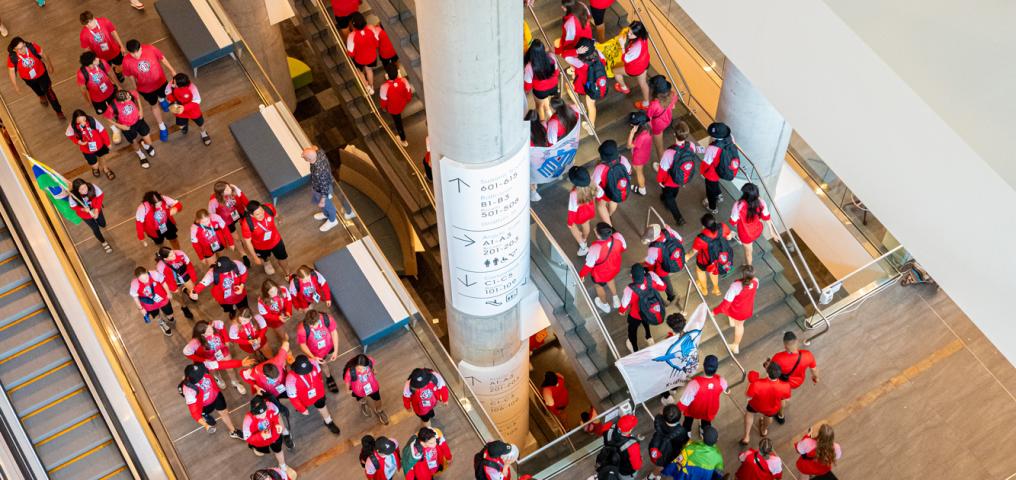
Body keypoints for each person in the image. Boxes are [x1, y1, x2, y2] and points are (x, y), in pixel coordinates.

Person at [122, 39, 176, 142]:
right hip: (146, 89)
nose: (136, 55)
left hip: (160, 82)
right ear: (129, 52)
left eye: (138, 52)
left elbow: (162, 58)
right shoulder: (126, 61)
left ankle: (162, 100)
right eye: (133, 54)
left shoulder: (151, 48)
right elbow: (130, 76)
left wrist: (172, 70)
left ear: (141, 48)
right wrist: (135, 87)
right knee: (154, 105)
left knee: (164, 96)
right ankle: (162, 126)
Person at [179, 362, 246, 439]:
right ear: (196, 379)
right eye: (201, 373)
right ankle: (205, 415)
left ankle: (233, 431)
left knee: (224, 412)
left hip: (216, 395)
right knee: (204, 413)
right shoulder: (188, 390)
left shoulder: (203, 366)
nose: (203, 371)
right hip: (205, 405)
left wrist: (241, 363)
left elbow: (221, 365)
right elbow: (194, 412)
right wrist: (206, 425)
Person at [656, 121, 703, 226]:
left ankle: (678, 217)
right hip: (683, 177)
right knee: (675, 189)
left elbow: (662, 170)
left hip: (669, 180)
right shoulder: (690, 145)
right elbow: (697, 150)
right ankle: (666, 198)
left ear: (674, 134)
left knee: (669, 196)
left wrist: (660, 181)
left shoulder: (669, 153)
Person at [184, 320, 247, 394]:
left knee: (230, 368)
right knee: (215, 371)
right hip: (210, 358)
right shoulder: (196, 342)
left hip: (222, 351)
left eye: (209, 327)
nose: (211, 330)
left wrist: (226, 340)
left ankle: (235, 382)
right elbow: (187, 352)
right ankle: (218, 378)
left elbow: (222, 325)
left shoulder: (214, 325)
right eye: (208, 331)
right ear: (203, 335)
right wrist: (203, 360)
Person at [7, 37, 63, 119]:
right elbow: (11, 72)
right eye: (19, 49)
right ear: (15, 50)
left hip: (42, 74)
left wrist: (49, 65)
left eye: (23, 47)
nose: (22, 50)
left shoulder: (32, 47)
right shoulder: (12, 57)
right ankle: (41, 96)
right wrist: (15, 86)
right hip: (28, 79)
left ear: (25, 44)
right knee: (36, 89)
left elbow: (44, 54)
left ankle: (58, 111)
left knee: (49, 92)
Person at [768, 331, 818, 422]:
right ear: (797, 341)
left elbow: (772, 371)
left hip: (783, 383)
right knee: (785, 396)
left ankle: (780, 415)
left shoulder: (778, 357)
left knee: (782, 399)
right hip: (798, 382)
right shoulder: (807, 355)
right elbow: (814, 370)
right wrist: (815, 378)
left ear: (785, 346)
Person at [286, 355, 342, 434]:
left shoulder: (313, 362)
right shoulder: (290, 379)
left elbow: (319, 374)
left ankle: (328, 421)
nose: (306, 372)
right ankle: (306, 406)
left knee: (322, 406)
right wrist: (302, 409)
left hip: (318, 393)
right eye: (303, 372)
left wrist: (321, 382)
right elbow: (293, 397)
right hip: (303, 398)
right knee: (304, 404)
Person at [579, 222, 626, 313]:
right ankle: (616, 299)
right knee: (610, 278)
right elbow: (623, 248)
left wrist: (581, 275)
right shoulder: (618, 236)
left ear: (598, 235)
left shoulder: (595, 248)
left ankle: (605, 305)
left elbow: (588, 266)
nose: (594, 230)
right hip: (614, 267)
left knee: (599, 286)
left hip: (600, 274)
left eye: (595, 230)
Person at [618, 264, 666, 352]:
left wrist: (621, 311)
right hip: (650, 310)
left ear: (631, 276)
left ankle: (634, 348)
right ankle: (649, 337)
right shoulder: (652, 275)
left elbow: (624, 306)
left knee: (632, 330)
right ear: (644, 272)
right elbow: (663, 287)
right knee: (646, 319)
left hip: (636, 314)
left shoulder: (629, 289)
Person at [741, 361, 791, 446]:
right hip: (772, 408)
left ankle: (746, 436)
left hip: (756, 405)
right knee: (769, 417)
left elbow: (747, 395)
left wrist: (750, 382)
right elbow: (787, 399)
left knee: (749, 414)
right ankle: (763, 430)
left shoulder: (757, 383)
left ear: (767, 372)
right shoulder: (786, 386)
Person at [713, 265, 759, 354]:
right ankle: (733, 323)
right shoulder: (756, 281)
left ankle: (735, 345)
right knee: (740, 323)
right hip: (747, 308)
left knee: (739, 326)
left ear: (743, 274)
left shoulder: (736, 286)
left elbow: (725, 304)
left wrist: (714, 312)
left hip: (738, 310)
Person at [686, 213, 735, 297]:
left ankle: (704, 290)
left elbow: (692, 252)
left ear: (703, 226)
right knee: (713, 271)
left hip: (705, 260)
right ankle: (716, 289)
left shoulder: (701, 238)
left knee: (700, 271)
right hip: (719, 259)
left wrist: (686, 256)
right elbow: (729, 237)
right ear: (715, 221)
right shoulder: (722, 227)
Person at [563, 37, 606, 129]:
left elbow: (565, 55)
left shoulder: (580, 63)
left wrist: (576, 51)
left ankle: (579, 106)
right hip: (596, 85)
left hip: (583, 86)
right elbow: (603, 63)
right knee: (591, 105)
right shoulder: (599, 54)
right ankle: (591, 126)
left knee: (568, 86)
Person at [677, 355, 726, 434]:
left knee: (687, 422)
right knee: (706, 423)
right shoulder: (721, 381)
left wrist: (673, 411)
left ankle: (687, 435)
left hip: (694, 409)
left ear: (704, 366)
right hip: (709, 409)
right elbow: (727, 390)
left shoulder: (694, 383)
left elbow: (683, 403)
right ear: (716, 368)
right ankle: (703, 432)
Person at [730, 183, 777, 266]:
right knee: (749, 249)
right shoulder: (761, 202)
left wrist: (742, 227)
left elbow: (734, 222)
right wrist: (772, 233)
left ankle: (748, 266)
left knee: (748, 253)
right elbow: (767, 218)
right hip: (757, 230)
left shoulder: (738, 205)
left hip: (745, 235)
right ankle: (747, 266)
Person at [301, 145, 344, 232]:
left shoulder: (319, 172)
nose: (302, 155)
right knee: (324, 206)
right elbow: (316, 147)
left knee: (328, 206)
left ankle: (332, 220)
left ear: (309, 160)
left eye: (304, 156)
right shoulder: (320, 153)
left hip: (323, 190)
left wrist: (322, 200)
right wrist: (311, 149)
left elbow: (324, 188)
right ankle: (326, 214)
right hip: (318, 186)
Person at [241, 201, 290, 276]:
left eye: (262, 211)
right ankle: (267, 262)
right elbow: (248, 242)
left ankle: (288, 274)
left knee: (283, 258)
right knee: (265, 258)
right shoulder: (247, 224)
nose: (262, 215)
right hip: (260, 247)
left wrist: (279, 219)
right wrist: (255, 258)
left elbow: (276, 215)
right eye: (258, 214)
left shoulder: (268, 208)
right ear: (252, 215)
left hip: (276, 241)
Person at [700, 122, 740, 214]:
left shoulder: (712, 148)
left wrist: (702, 172)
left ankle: (712, 207)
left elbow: (706, 163)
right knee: (714, 184)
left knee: (710, 190)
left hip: (711, 173)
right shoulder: (730, 137)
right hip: (722, 169)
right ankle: (719, 195)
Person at [295, 310, 340, 391]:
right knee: (324, 365)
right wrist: (313, 357)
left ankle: (328, 375)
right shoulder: (302, 329)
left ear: (318, 319)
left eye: (313, 325)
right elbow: (302, 345)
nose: (311, 327)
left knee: (328, 359)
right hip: (316, 353)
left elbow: (334, 332)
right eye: (310, 325)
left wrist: (336, 351)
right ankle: (329, 377)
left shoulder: (327, 319)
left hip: (330, 347)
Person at [110, 89, 156, 168]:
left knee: (149, 142)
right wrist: (120, 126)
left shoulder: (130, 93)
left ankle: (145, 144)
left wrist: (140, 110)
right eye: (127, 98)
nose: (129, 97)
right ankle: (141, 155)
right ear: (122, 102)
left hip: (139, 121)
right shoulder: (112, 107)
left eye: (128, 95)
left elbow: (137, 96)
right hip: (127, 127)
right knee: (134, 142)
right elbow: (107, 118)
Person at [243, 395, 291, 467]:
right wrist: (260, 436)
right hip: (260, 441)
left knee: (278, 450)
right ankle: (256, 449)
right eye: (259, 415)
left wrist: (277, 425)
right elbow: (247, 438)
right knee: (260, 449)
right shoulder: (248, 420)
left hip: (274, 436)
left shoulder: (271, 406)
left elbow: (275, 417)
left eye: (264, 412)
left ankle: (282, 464)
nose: (262, 416)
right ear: (253, 413)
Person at [209, 182, 251, 264]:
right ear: (221, 193)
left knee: (247, 229)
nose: (229, 189)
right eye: (226, 189)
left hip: (238, 212)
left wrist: (251, 210)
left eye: (228, 186)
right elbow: (212, 214)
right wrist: (219, 226)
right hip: (227, 220)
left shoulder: (233, 188)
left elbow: (243, 198)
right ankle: (243, 254)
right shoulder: (213, 201)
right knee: (236, 238)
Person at [642, 223, 684, 304]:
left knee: (658, 278)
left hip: (662, 267)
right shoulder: (668, 231)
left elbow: (649, 263)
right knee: (666, 279)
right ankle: (671, 296)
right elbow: (680, 240)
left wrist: (641, 265)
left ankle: (662, 298)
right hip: (676, 259)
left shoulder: (654, 248)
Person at [78, 11, 125, 83]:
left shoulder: (104, 21)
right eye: (86, 24)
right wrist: (91, 61)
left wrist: (121, 45)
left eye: (90, 22)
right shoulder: (83, 34)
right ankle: (113, 83)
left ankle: (117, 71)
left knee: (120, 66)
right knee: (106, 71)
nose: (89, 25)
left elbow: (113, 32)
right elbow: (87, 49)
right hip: (100, 57)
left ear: (93, 18)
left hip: (114, 50)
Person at [66, 110, 113, 180]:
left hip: (100, 145)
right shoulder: (72, 126)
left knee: (102, 158)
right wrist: (78, 141)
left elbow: (102, 131)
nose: (83, 123)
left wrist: (108, 143)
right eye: (79, 121)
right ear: (75, 121)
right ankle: (95, 169)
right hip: (86, 149)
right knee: (94, 164)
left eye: (84, 119)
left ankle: (105, 169)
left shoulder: (92, 121)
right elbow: (69, 135)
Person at [129, 266, 176, 336]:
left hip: (162, 299)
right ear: (137, 278)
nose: (145, 280)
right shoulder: (135, 284)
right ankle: (162, 323)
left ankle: (169, 317)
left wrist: (168, 293)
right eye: (142, 280)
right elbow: (135, 298)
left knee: (170, 314)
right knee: (156, 315)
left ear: (147, 272)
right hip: (149, 304)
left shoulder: (155, 274)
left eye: (146, 277)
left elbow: (164, 283)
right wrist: (141, 309)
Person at [343, 354, 389, 425]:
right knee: (361, 399)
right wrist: (355, 390)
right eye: (359, 368)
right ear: (355, 365)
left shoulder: (369, 361)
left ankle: (379, 410)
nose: (361, 371)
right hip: (359, 392)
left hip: (373, 387)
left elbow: (373, 370)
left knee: (378, 400)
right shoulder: (350, 373)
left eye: (364, 368)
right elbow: (347, 390)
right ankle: (363, 402)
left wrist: (374, 371)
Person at [166, 72, 211, 145]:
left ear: (181, 86)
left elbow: (197, 101)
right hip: (180, 111)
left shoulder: (192, 88)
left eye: (175, 83)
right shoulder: (173, 84)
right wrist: (172, 101)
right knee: (181, 125)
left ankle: (204, 133)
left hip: (193, 110)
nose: (172, 84)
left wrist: (184, 107)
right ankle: (185, 125)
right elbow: (168, 93)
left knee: (201, 123)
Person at [593, 140, 631, 224]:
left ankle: (608, 225)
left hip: (605, 192)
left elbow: (594, 184)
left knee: (601, 206)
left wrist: (600, 194)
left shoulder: (600, 168)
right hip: (617, 191)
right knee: (613, 201)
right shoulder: (623, 159)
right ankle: (609, 214)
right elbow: (628, 171)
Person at [647, 405, 689, 480]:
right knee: (662, 465)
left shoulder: (658, 418)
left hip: (658, 444)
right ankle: (651, 477)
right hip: (670, 452)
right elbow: (684, 442)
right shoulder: (681, 430)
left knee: (659, 464)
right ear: (679, 418)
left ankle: (652, 476)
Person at [69, 179, 111, 253]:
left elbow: (100, 196)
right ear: (77, 190)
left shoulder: (92, 187)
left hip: (96, 209)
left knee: (102, 223)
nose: (84, 190)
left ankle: (102, 225)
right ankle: (103, 242)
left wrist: (97, 210)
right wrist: (82, 209)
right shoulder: (73, 196)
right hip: (85, 215)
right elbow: (73, 207)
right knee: (95, 228)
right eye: (81, 189)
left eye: (84, 187)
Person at [154, 247, 197, 320]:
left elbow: (189, 265)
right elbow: (162, 281)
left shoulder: (180, 253)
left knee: (192, 289)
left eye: (173, 252)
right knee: (179, 295)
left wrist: (192, 278)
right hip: (172, 282)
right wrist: (173, 288)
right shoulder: (160, 266)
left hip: (184, 276)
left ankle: (186, 290)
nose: (174, 255)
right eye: (171, 255)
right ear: (165, 259)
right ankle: (184, 307)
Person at [77, 52, 117, 128]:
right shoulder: (82, 74)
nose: (98, 59)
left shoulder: (102, 63)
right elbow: (83, 89)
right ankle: (114, 129)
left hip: (110, 91)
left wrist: (118, 86)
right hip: (97, 99)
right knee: (105, 113)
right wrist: (88, 101)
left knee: (116, 108)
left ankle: (121, 121)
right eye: (95, 59)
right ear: (90, 64)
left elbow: (111, 73)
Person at [616, 21, 650, 109]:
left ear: (638, 34)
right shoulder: (643, 37)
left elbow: (625, 59)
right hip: (644, 64)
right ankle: (646, 103)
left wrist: (622, 45)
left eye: (632, 33)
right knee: (643, 83)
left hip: (634, 68)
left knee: (615, 71)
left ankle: (623, 87)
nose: (629, 34)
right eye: (629, 31)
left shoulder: (636, 47)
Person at [524, 39, 559, 121]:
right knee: (545, 97)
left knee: (539, 107)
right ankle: (548, 111)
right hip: (553, 87)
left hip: (540, 91)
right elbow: (556, 73)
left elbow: (527, 87)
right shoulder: (551, 57)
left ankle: (543, 122)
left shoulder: (529, 67)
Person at [566, 166, 597, 256]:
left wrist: (570, 223)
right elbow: (599, 193)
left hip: (580, 214)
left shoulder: (574, 194)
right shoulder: (592, 182)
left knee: (572, 227)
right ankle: (584, 238)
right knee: (586, 224)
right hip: (590, 210)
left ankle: (583, 247)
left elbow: (572, 210)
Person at [600, 414, 641, 480]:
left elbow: (605, 429)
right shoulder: (632, 446)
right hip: (624, 472)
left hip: (612, 463)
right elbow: (637, 466)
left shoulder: (607, 428)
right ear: (630, 429)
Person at [346, 12, 379, 94]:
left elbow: (351, 53)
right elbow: (377, 43)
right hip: (371, 57)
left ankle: (366, 87)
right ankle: (371, 86)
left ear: (353, 25)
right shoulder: (371, 28)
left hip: (359, 59)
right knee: (369, 70)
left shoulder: (351, 36)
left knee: (358, 71)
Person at [378, 72, 414, 146]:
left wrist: (384, 108)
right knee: (398, 122)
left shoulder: (384, 87)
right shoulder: (404, 81)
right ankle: (403, 139)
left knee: (398, 123)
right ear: (397, 73)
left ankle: (403, 140)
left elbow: (383, 101)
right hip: (402, 104)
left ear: (387, 76)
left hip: (393, 109)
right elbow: (409, 93)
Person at [646, 76, 678, 156]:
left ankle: (661, 164)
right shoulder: (673, 95)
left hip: (657, 126)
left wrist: (649, 130)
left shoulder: (654, 104)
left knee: (659, 147)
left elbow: (648, 118)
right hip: (667, 120)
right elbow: (673, 106)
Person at [626, 111, 652, 196]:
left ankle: (642, 189)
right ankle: (635, 170)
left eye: (633, 124)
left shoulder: (641, 136)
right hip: (645, 153)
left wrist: (632, 133)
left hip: (639, 157)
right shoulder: (648, 128)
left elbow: (629, 146)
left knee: (639, 173)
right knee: (637, 168)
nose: (631, 125)